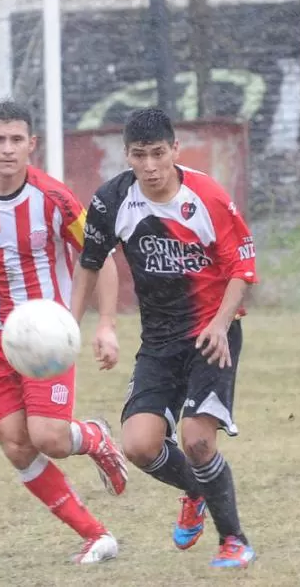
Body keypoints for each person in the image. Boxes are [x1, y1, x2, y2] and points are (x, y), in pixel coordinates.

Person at [0, 100, 127, 565]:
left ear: (32, 145)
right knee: (16, 442)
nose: (8, 149)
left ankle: (92, 438)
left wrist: (106, 325)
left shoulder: (54, 198)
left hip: (46, 336)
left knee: (50, 437)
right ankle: (96, 535)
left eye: (17, 140)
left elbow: (101, 258)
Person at [70, 108, 258, 569]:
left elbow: (243, 270)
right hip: (157, 340)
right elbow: (92, 262)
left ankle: (233, 540)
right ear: (127, 156)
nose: (150, 166)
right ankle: (196, 489)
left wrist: (219, 324)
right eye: (140, 156)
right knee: (138, 445)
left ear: (176, 150)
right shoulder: (112, 200)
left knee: (197, 441)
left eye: (158, 154)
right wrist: (72, 326)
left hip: (211, 334)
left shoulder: (207, 198)